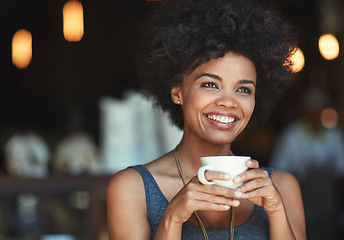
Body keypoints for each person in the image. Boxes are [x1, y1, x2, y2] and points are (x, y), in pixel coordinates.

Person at [107, 0, 306, 239]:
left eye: (243, 90)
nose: (229, 102)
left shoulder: (282, 188)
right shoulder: (133, 189)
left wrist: (275, 210)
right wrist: (173, 217)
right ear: (177, 92)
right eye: (210, 85)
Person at [270, 88, 344, 239]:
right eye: (311, 110)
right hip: (301, 195)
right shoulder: (291, 134)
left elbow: (340, 168)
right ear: (304, 111)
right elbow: (279, 168)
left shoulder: (333, 134)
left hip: (327, 199)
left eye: (318, 110)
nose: (315, 115)